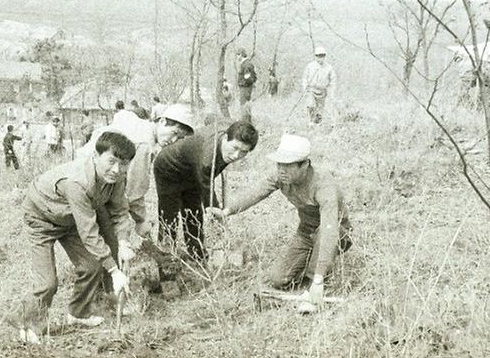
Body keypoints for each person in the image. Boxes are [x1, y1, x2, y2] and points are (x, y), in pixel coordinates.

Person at [16, 131, 136, 343]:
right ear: (96, 156)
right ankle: (28, 326)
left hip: (70, 218)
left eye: (123, 164)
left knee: (91, 266)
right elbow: (89, 233)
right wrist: (115, 270)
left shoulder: (116, 178)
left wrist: (124, 242)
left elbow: (119, 211)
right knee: (48, 282)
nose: (117, 169)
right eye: (111, 161)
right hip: (41, 217)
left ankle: (78, 313)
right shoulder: (77, 182)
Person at [207, 134, 352, 308]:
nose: (282, 170)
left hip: (336, 233)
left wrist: (318, 279)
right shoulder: (281, 176)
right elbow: (257, 192)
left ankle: (314, 278)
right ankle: (310, 268)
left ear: (304, 165)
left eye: (288, 166)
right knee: (277, 278)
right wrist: (227, 211)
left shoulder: (324, 186)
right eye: (279, 164)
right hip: (306, 232)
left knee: (315, 273)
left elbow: (330, 231)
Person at [79, 103, 195, 236]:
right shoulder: (144, 143)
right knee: (105, 238)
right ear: (162, 121)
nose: (174, 140)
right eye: (174, 133)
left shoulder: (139, 124)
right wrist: (141, 220)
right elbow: (134, 192)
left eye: (180, 138)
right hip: (88, 181)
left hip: (86, 171)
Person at [153, 120, 259, 262]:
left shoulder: (229, 131)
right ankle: (167, 260)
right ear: (226, 138)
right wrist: (217, 213)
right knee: (169, 216)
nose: (236, 155)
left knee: (194, 213)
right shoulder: (207, 159)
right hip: (169, 168)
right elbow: (207, 191)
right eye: (234, 148)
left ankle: (197, 257)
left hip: (192, 169)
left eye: (243, 152)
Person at [301, 46, 336, 124]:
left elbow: (333, 80)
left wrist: (331, 91)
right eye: (319, 56)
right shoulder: (310, 66)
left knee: (320, 109)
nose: (321, 58)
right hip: (311, 90)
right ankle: (311, 121)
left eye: (322, 56)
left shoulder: (329, 68)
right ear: (315, 56)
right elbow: (305, 77)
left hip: (322, 91)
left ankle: (318, 123)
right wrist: (305, 87)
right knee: (311, 105)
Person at [236, 48, 257, 122]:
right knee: (246, 106)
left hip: (245, 88)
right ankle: (247, 122)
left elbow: (247, 77)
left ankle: (246, 123)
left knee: (244, 106)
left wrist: (246, 85)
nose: (237, 56)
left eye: (238, 54)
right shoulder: (247, 63)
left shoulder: (246, 64)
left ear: (242, 54)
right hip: (246, 88)